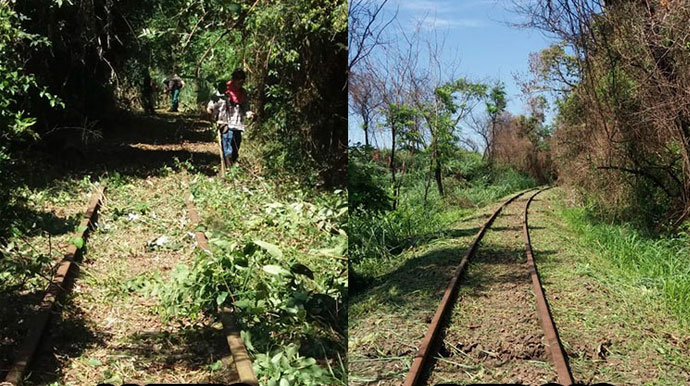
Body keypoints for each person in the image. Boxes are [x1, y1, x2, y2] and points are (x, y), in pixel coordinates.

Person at [207, 70, 254, 168]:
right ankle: (228, 169)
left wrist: (250, 114)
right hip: (225, 123)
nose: (240, 84)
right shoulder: (224, 90)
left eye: (242, 82)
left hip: (238, 124)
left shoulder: (243, 93)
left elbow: (246, 107)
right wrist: (211, 109)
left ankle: (231, 166)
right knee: (228, 148)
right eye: (239, 82)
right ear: (234, 80)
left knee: (236, 148)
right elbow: (213, 103)